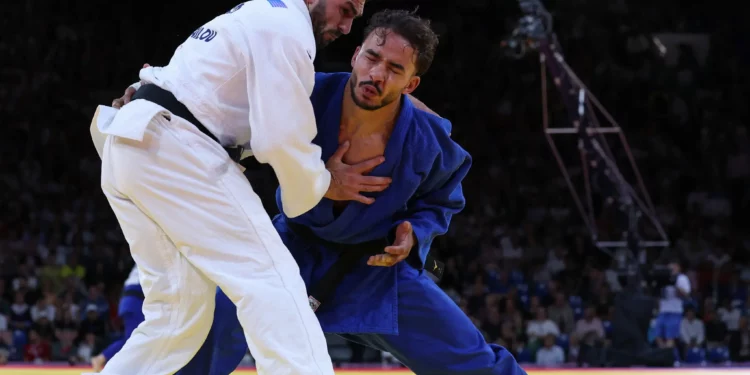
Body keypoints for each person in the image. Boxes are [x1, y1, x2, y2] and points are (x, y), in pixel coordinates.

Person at [177, 9, 526, 375]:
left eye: (394, 69)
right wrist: (155, 94)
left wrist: (415, 232)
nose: (377, 74)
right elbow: (222, 115)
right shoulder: (306, 95)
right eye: (373, 58)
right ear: (356, 53)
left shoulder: (428, 137)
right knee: (206, 336)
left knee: (470, 359)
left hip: (374, 267)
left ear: (410, 85)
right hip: (290, 250)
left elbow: (441, 200)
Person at [86, 0, 392, 374]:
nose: (346, 27)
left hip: (134, 141)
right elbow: (279, 140)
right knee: (272, 280)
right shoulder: (286, 27)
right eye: (345, 10)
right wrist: (323, 181)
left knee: (177, 317)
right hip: (175, 146)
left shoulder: (256, 12)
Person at [90, 267, 143, 372]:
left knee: (136, 338)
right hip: (135, 299)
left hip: (133, 299)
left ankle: (102, 357)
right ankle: (101, 358)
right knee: (134, 339)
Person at [655, 260, 691, 350]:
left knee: (670, 337)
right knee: (657, 336)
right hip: (663, 311)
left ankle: (666, 357)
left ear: (678, 268)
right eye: (670, 268)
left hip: (675, 312)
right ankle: (663, 355)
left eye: (674, 267)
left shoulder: (682, 278)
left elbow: (686, 295)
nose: (672, 269)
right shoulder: (663, 278)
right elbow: (658, 295)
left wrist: (675, 284)